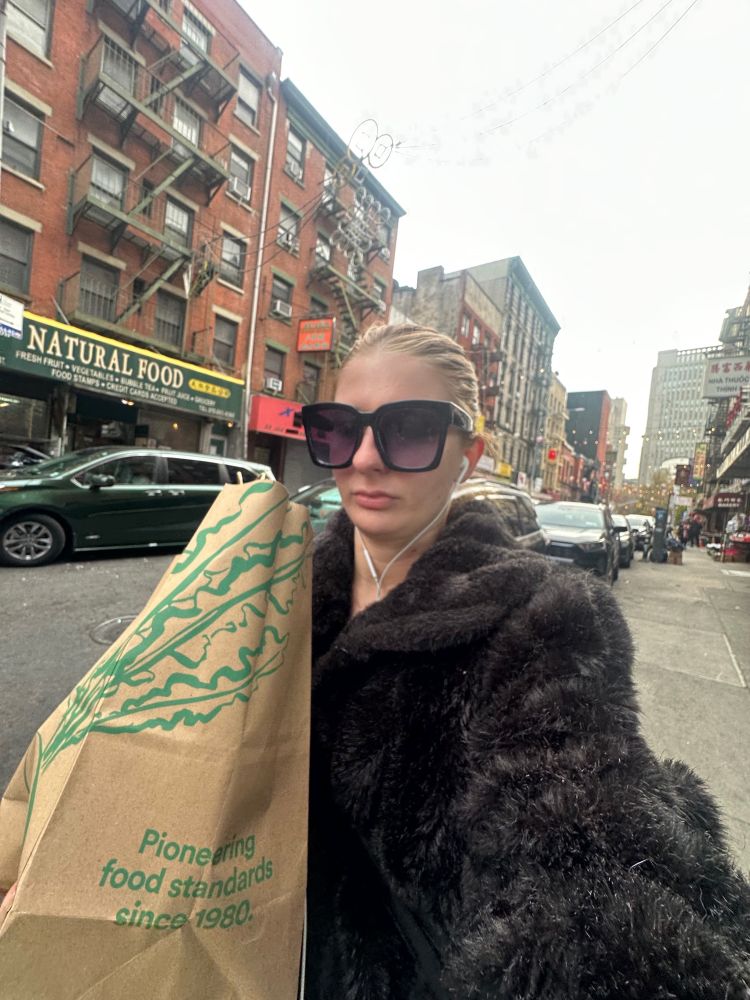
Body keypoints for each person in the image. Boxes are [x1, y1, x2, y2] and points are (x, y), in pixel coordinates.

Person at [301, 323, 750, 1000]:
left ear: (469, 454)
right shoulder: (282, 584)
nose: (364, 458)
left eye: (410, 429)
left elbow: (578, 835)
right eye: (339, 428)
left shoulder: (544, 615)